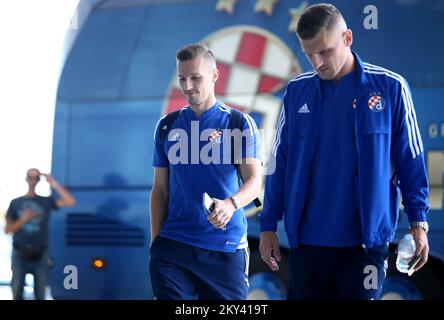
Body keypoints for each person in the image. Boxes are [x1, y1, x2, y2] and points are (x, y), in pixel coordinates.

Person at [259, 3, 429, 300]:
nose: (317, 62)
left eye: (324, 51)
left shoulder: (390, 88)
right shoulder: (296, 92)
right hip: (307, 245)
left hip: (365, 247)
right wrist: (268, 224)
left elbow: (410, 160)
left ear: (348, 38)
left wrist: (418, 223)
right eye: (308, 53)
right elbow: (279, 161)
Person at [149, 43, 262, 300]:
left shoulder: (239, 123)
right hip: (173, 247)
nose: (188, 86)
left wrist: (231, 204)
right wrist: (156, 243)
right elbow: (160, 190)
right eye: (182, 79)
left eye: (195, 77)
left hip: (225, 247)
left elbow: (255, 182)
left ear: (214, 75)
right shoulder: (167, 126)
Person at [5, 168, 76, 300]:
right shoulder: (15, 203)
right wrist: (23, 219)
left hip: (40, 254)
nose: (33, 180)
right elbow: (8, 230)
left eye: (36, 177)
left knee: (40, 293)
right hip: (19, 253)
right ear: (26, 179)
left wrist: (52, 182)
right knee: (17, 291)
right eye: (30, 177)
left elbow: (70, 201)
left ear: (39, 180)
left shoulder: (46, 202)